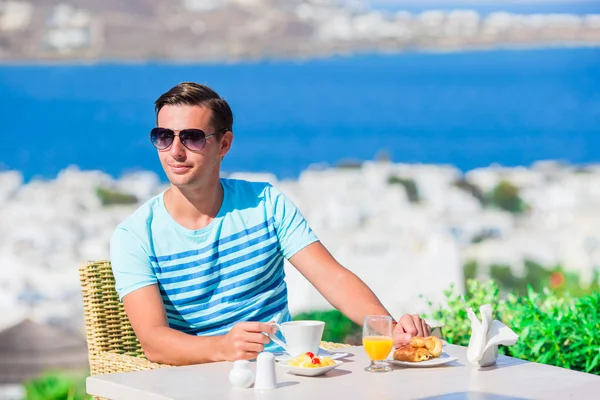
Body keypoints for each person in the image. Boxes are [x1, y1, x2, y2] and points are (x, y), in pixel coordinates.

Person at [110, 82, 431, 366]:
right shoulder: (135, 236)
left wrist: (387, 329)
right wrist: (223, 347)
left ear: (224, 144)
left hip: (284, 375)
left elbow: (332, 278)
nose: (175, 151)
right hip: (196, 382)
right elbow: (154, 342)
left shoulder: (266, 204)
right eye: (164, 137)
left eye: (192, 138)